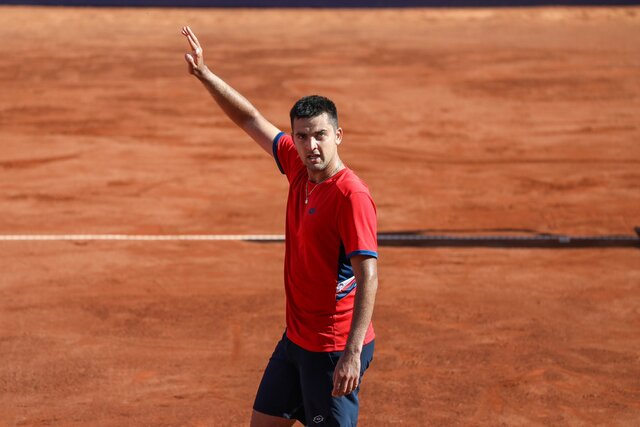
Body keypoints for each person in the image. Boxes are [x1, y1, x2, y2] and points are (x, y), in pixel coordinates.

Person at [181, 26, 379, 427]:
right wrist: (205, 74)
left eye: (321, 135)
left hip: (332, 348)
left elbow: (369, 274)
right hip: (296, 340)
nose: (312, 146)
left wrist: (352, 353)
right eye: (303, 137)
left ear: (338, 135)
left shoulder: (350, 196)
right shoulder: (298, 168)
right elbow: (250, 118)